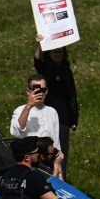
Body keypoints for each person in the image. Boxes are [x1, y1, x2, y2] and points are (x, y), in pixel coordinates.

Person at [33, 38, 78, 179]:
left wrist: (74, 118)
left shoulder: (67, 71)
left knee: (62, 149)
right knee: (46, 148)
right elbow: (37, 61)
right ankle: (45, 176)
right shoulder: (45, 69)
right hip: (46, 115)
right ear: (50, 54)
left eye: (60, 52)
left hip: (63, 117)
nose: (58, 54)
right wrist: (40, 43)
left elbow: (72, 94)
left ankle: (61, 176)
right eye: (55, 52)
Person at [11, 74, 62, 159]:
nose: (40, 94)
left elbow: (56, 140)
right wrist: (28, 106)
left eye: (43, 90)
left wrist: (58, 161)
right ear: (28, 91)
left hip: (49, 160)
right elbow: (16, 132)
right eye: (36, 90)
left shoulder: (52, 111)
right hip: (30, 160)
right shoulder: (19, 110)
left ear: (47, 91)